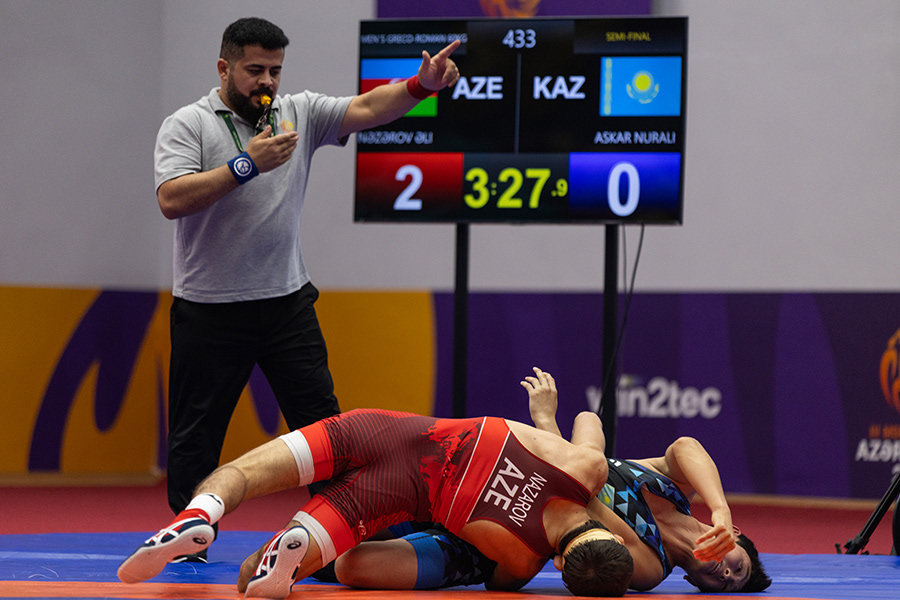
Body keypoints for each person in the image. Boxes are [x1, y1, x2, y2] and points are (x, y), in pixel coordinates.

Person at [155, 15, 461, 561]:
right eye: (254, 71)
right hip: (209, 308)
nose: (266, 82)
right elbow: (172, 199)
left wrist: (421, 87)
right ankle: (187, 542)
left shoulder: (297, 111)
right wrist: (246, 165)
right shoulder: (188, 124)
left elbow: (368, 108)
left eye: (274, 71)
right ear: (223, 68)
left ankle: (338, 532)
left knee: (324, 428)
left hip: (286, 304)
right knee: (194, 438)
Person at [117, 369, 635, 598]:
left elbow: (589, 421)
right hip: (392, 496)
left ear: (612, 533)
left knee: (244, 472)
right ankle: (285, 554)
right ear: (561, 565)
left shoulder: (586, 470)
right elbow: (497, 579)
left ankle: (202, 512)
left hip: (382, 431)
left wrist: (545, 419)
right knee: (249, 579)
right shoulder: (523, 561)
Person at [328, 368, 772, 594]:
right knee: (345, 506)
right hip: (492, 485)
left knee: (348, 567)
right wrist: (718, 507)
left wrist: (549, 424)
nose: (725, 573)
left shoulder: (651, 568)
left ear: (697, 586)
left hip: (501, 545)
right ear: (734, 535)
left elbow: (580, 504)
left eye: (726, 584)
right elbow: (685, 446)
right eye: (738, 566)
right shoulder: (671, 490)